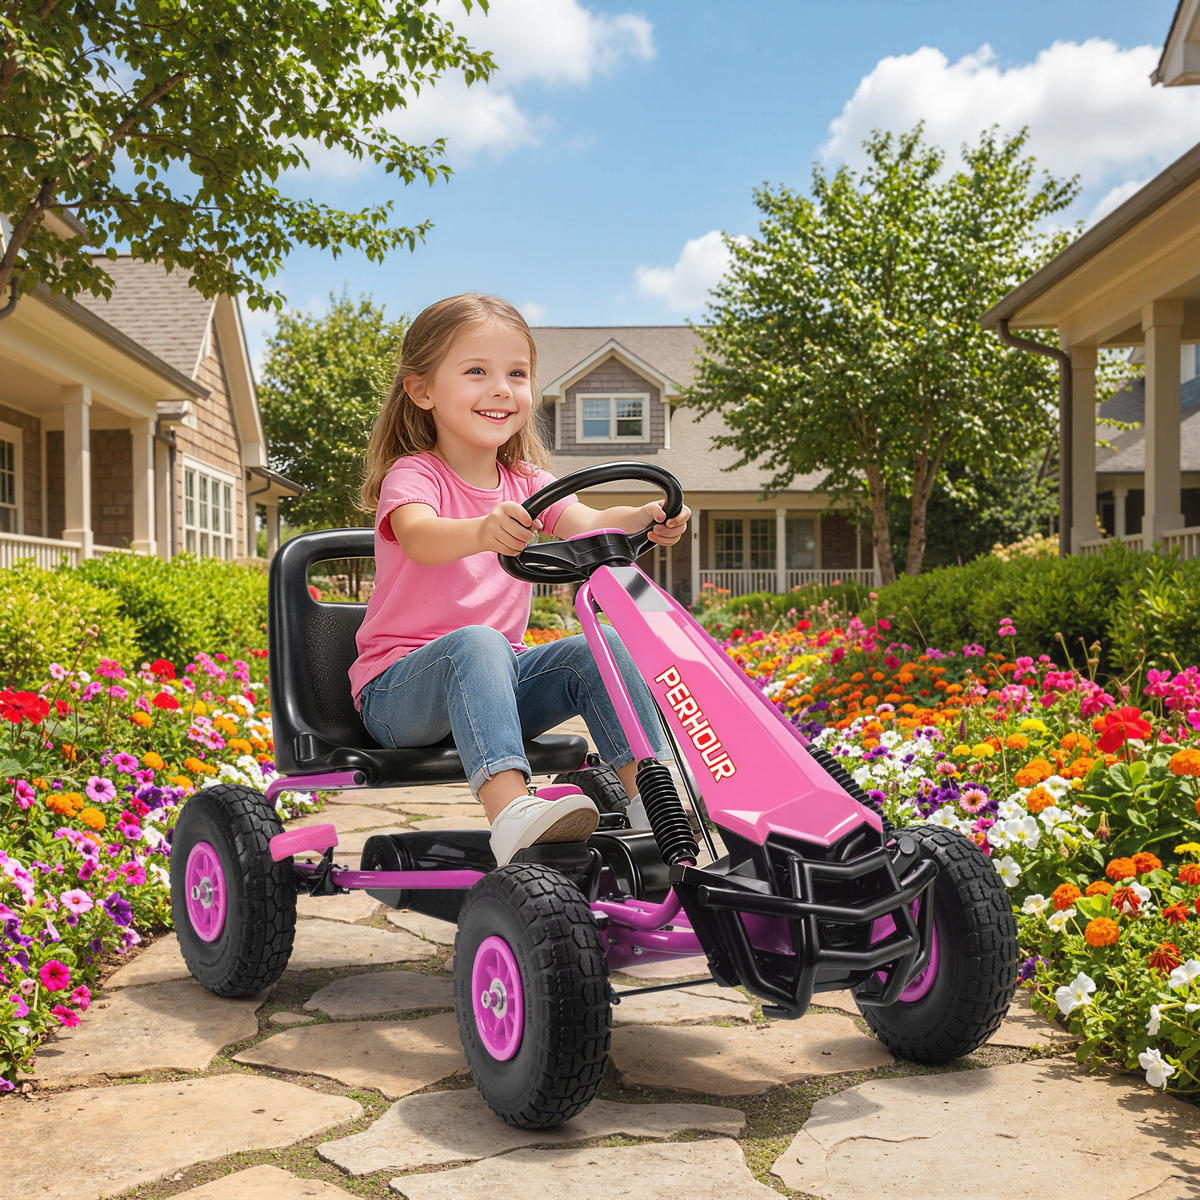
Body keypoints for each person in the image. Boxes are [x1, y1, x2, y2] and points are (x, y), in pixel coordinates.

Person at [349, 293, 691, 866]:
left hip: (497, 687)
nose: (502, 388)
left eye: (517, 374)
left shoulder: (527, 481)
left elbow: (586, 523)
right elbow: (419, 535)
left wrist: (643, 519)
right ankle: (512, 813)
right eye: (477, 371)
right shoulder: (414, 474)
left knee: (599, 647)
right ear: (422, 390)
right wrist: (482, 531)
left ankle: (653, 805)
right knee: (478, 642)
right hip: (400, 695)